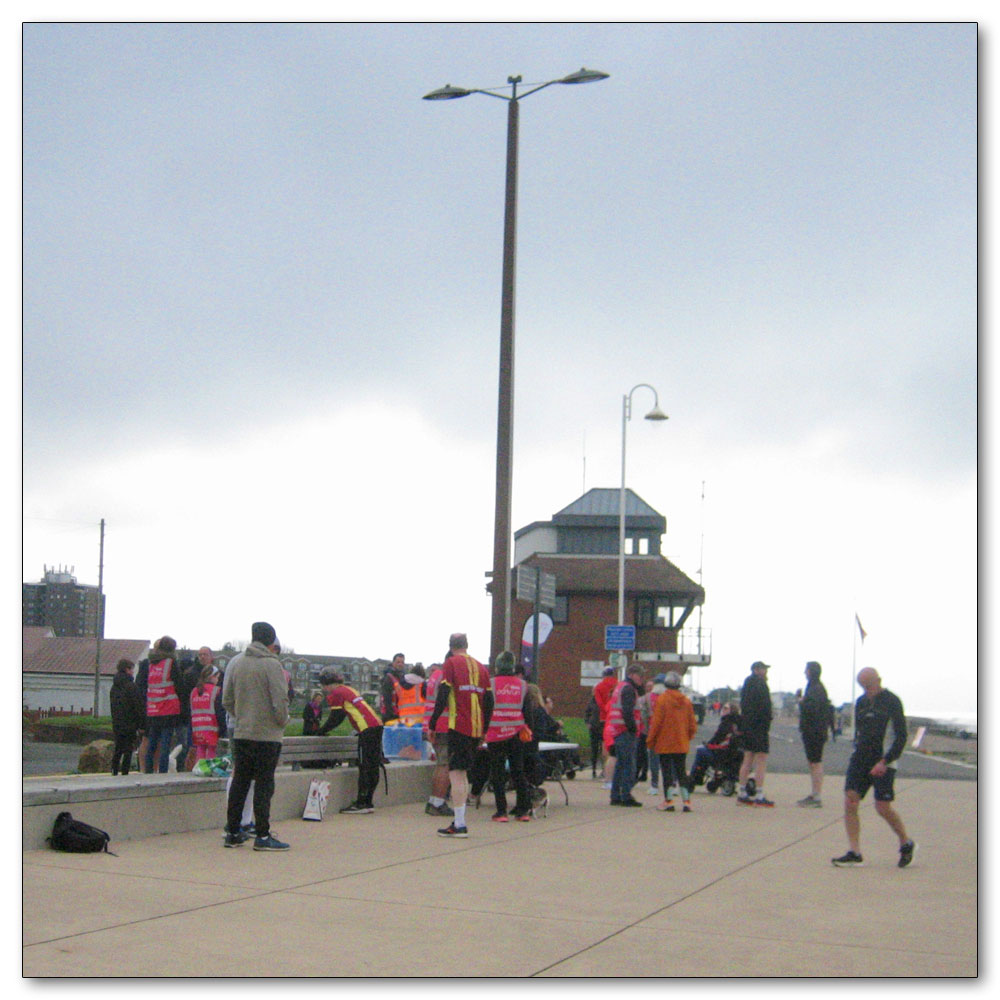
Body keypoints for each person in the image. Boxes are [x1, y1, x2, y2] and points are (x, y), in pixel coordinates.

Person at [832, 667, 916, 868]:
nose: (867, 690)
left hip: (884, 760)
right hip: (861, 759)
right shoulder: (860, 703)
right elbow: (860, 734)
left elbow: (900, 736)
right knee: (850, 802)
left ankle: (905, 841)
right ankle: (855, 852)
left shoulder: (892, 701)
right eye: (863, 687)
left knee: (882, 807)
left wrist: (885, 761)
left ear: (878, 680)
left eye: (869, 686)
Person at [221, 621, 291, 851]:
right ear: (271, 641)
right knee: (263, 784)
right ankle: (262, 835)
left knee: (240, 782)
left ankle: (232, 832)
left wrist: (242, 716)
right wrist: (281, 721)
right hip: (267, 735)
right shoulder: (272, 665)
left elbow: (226, 700)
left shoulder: (237, 662)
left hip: (242, 732)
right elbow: (280, 700)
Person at [427, 632, 494, 838]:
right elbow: (489, 700)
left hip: (458, 726)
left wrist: (433, 722)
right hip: (475, 728)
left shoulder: (451, 663)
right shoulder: (481, 667)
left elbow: (444, 694)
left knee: (455, 773)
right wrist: (484, 728)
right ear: (467, 645)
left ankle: (460, 824)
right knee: (463, 774)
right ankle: (459, 820)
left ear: (451, 646)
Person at [317, 669, 385, 814]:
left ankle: (361, 803)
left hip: (366, 729)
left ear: (326, 684)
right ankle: (368, 801)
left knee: (365, 765)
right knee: (373, 765)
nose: (323, 690)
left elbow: (337, 717)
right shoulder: (348, 689)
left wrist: (321, 731)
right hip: (376, 725)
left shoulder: (336, 693)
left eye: (322, 686)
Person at [484, 651, 532, 822]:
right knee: (518, 771)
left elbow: (486, 710)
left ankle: (501, 811)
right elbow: (527, 712)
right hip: (517, 733)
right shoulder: (523, 685)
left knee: (497, 773)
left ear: (497, 666)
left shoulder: (490, 685)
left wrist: (482, 732)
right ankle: (523, 810)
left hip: (495, 733)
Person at [646, 671, 698, 812]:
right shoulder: (686, 701)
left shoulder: (662, 700)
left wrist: (650, 741)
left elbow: (656, 723)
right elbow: (692, 725)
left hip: (664, 743)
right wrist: (687, 737)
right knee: (681, 772)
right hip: (681, 743)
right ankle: (687, 802)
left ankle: (669, 801)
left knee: (667, 773)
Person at [136, 636, 183, 774]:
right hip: (168, 709)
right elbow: (179, 685)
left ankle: (149, 771)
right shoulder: (171, 663)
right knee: (165, 744)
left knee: (152, 742)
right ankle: (162, 773)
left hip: (153, 709)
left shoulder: (151, 664)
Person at [797, 661, 836, 807]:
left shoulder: (816, 688)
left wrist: (802, 702)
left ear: (811, 671)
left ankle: (817, 796)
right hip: (813, 730)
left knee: (816, 762)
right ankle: (814, 794)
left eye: (806, 670)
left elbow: (812, 709)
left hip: (815, 731)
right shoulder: (815, 687)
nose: (804, 672)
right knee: (812, 762)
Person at [606, 663, 645, 807]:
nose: (642, 679)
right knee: (629, 764)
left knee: (620, 765)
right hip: (625, 731)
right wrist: (633, 729)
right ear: (632, 675)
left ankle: (615, 795)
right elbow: (627, 711)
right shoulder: (629, 689)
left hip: (618, 730)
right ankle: (626, 795)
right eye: (640, 676)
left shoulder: (621, 686)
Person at [737, 661, 774, 806]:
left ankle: (742, 791)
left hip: (747, 725)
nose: (766, 671)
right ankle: (759, 794)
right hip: (759, 727)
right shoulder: (761, 684)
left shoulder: (747, 684)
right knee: (761, 759)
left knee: (748, 758)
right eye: (764, 669)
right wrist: (767, 722)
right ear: (757, 670)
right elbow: (765, 707)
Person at [421, 660, 455, 817]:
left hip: (431, 723)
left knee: (440, 764)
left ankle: (434, 800)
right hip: (443, 724)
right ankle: (437, 802)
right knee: (445, 765)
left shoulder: (434, 676)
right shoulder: (446, 676)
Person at [690, 700, 742, 785]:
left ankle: (695, 777)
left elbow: (717, 739)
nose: (723, 709)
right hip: (734, 754)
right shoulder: (739, 723)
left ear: (731, 711)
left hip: (722, 755)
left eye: (725, 708)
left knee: (701, 751)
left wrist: (707, 744)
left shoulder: (726, 723)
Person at [109, 658, 144, 775]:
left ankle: (114, 769)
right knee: (128, 749)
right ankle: (125, 771)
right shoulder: (131, 686)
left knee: (118, 747)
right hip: (130, 722)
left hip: (117, 721)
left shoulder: (114, 686)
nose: (133, 672)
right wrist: (141, 723)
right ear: (127, 669)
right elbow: (137, 706)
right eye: (132, 669)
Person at [190, 664, 226, 760]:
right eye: (217, 677)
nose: (218, 680)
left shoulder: (194, 691)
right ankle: (209, 769)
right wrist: (223, 727)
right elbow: (220, 711)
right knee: (211, 750)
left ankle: (199, 767)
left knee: (200, 749)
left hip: (197, 726)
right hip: (212, 726)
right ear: (212, 676)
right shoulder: (216, 690)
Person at [639, 674, 667, 795]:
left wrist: (646, 730)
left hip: (653, 730)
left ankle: (654, 785)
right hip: (668, 732)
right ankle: (673, 785)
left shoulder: (647, 698)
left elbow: (643, 715)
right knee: (669, 760)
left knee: (654, 759)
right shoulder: (669, 697)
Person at [593, 665, 617, 788]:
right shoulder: (618, 684)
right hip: (617, 719)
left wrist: (606, 710)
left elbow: (599, 703)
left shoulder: (599, 687)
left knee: (605, 747)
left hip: (604, 719)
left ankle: (605, 772)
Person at [378, 653, 407, 723]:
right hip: (390, 715)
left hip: (398, 714)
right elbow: (386, 698)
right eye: (398, 662)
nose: (400, 664)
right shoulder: (389, 678)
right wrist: (390, 715)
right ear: (393, 663)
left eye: (402, 662)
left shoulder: (402, 677)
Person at [584, 693, 603, 778]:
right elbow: (587, 713)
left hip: (603, 728)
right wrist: (587, 723)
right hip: (594, 728)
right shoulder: (591, 702)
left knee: (604, 750)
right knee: (594, 749)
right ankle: (594, 770)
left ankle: (604, 770)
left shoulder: (604, 700)